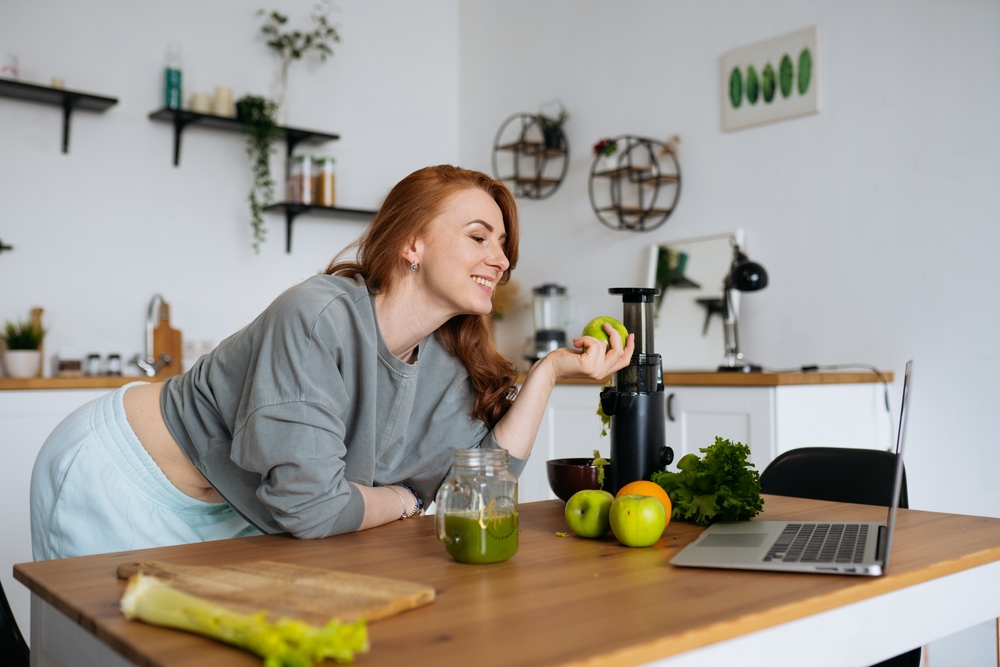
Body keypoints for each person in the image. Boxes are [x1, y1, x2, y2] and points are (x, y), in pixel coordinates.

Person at [30, 165, 634, 561]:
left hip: (243, 508)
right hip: (125, 478)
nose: (500, 259)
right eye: (480, 236)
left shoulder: (445, 358)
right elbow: (313, 508)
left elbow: (474, 483)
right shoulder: (318, 316)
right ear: (412, 244)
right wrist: (401, 500)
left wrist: (550, 370)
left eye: (503, 245)